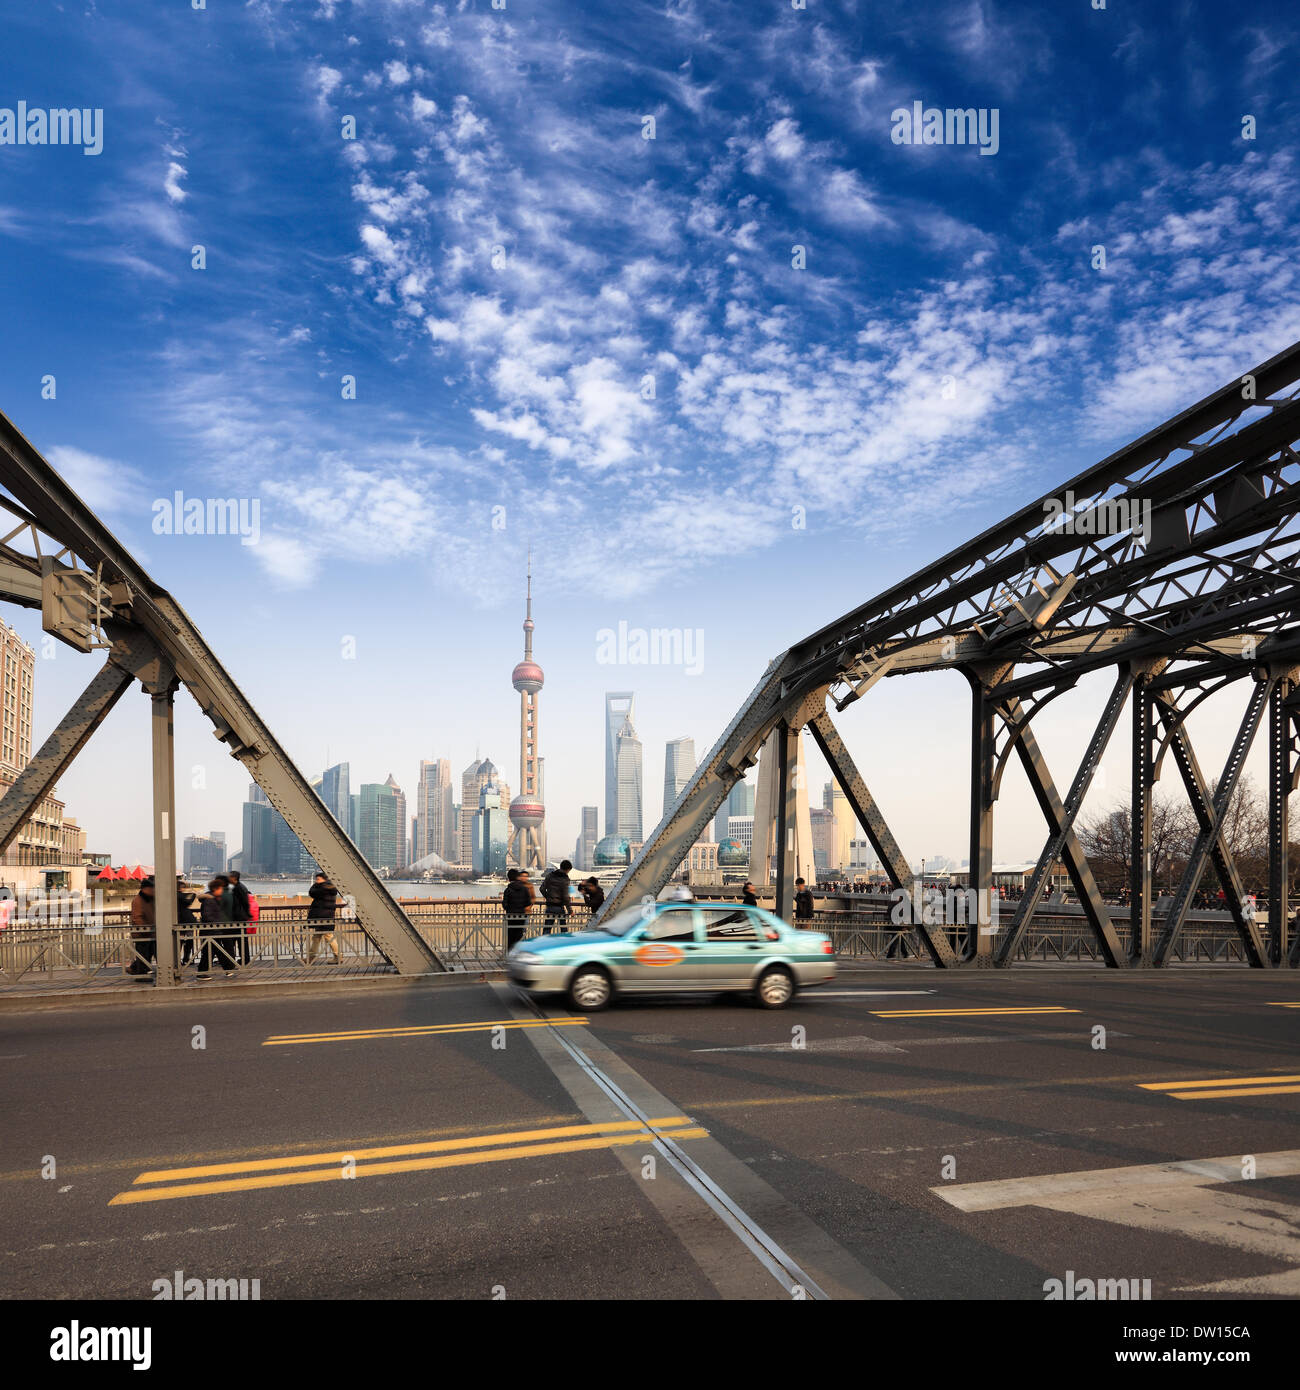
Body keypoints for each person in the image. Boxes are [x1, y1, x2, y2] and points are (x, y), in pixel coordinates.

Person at [197, 876, 238, 978]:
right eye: (221, 889)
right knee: (213, 951)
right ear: (215, 889)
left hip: (214, 930)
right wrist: (220, 921)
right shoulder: (209, 900)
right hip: (210, 931)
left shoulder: (214, 898)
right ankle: (203, 973)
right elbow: (207, 916)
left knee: (214, 951)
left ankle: (227, 969)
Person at [306, 871, 341, 964]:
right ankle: (311, 957)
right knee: (317, 937)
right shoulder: (328, 887)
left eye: (318, 879)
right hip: (325, 916)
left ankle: (338, 957)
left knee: (328, 937)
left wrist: (315, 885)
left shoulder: (324, 888)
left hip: (323, 917)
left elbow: (312, 893)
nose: (316, 881)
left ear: (324, 879)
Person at [128, 876, 156, 979]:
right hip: (142, 933)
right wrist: (145, 929)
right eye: (152, 888)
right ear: (145, 889)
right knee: (143, 954)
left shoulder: (150, 899)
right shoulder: (138, 900)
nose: (153, 890)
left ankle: (136, 969)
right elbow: (137, 917)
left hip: (150, 932)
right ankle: (140, 975)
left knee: (147, 954)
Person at [502, 868, 532, 952]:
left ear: (509, 878)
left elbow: (504, 905)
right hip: (521, 916)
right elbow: (528, 902)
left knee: (510, 936)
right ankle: (518, 954)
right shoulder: (525, 889)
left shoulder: (507, 890)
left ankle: (510, 954)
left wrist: (510, 908)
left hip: (510, 916)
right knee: (519, 936)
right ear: (518, 877)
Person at [228, 869, 253, 965]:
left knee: (241, 940)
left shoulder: (239, 887)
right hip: (235, 917)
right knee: (235, 939)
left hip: (239, 917)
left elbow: (245, 902)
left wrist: (247, 914)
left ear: (234, 878)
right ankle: (232, 959)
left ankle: (244, 960)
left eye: (229, 877)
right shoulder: (233, 886)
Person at [541, 859, 573, 932]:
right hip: (559, 906)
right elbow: (565, 896)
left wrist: (548, 897)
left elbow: (542, 889)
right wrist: (570, 910)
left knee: (547, 929)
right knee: (563, 929)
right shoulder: (565, 879)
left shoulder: (550, 875)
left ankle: (544, 942)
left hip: (549, 906)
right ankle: (563, 943)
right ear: (567, 870)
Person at [176, 875, 198, 967]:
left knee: (179, 941)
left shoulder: (174, 896)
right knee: (189, 940)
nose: (184, 889)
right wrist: (193, 894)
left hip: (179, 921)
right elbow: (188, 901)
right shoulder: (179, 895)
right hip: (186, 921)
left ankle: (178, 959)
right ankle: (186, 958)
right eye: (183, 887)